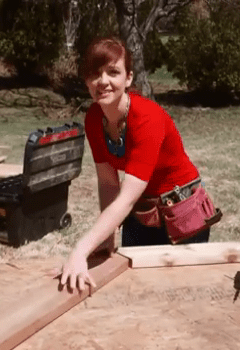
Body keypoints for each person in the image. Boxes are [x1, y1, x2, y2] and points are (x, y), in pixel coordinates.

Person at [59, 36, 213, 292]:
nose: (103, 81)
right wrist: (106, 236)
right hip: (142, 214)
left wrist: (80, 250)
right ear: (86, 81)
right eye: (95, 74)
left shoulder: (147, 117)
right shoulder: (94, 118)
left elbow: (126, 197)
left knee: (182, 292)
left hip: (182, 213)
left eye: (113, 72)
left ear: (128, 78)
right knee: (135, 289)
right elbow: (108, 183)